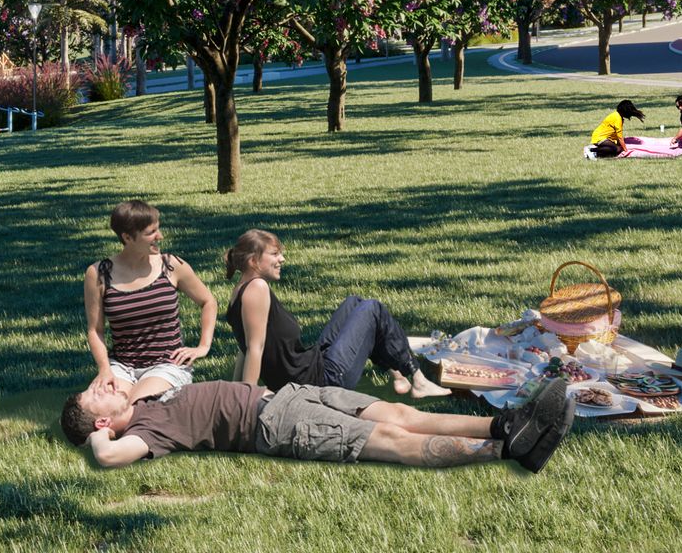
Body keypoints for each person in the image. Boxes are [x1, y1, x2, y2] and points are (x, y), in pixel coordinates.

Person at [61, 374, 573, 471]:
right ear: (104, 421)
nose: (104, 382)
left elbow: (127, 373)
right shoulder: (144, 434)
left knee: (401, 412)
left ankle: (506, 425)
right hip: (277, 424)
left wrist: (112, 395)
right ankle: (512, 451)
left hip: (290, 395)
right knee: (392, 440)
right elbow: (106, 456)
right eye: (97, 393)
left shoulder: (142, 398)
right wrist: (97, 438)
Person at [224, 230, 448, 399]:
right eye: (274, 254)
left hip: (313, 367)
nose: (282, 259)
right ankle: (416, 377)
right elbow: (254, 348)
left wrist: (235, 391)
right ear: (253, 261)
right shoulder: (257, 288)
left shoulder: (240, 291)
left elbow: (243, 348)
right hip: (321, 383)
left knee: (354, 303)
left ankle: (398, 374)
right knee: (372, 308)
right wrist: (247, 401)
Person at [83, 200, 216, 402]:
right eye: (150, 232)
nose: (159, 236)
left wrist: (203, 346)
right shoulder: (98, 273)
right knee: (99, 409)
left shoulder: (171, 265)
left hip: (166, 365)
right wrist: (104, 370)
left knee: (138, 407)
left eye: (158, 229)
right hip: (122, 367)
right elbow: (95, 330)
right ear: (127, 237)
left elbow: (208, 302)